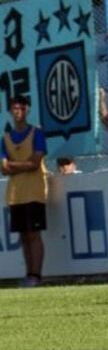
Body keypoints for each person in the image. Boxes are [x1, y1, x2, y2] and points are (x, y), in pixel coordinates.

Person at [1, 95, 47, 288]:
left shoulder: (37, 133)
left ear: (27, 110)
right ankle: (29, 274)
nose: (18, 112)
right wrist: (23, 164)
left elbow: (35, 163)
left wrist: (13, 165)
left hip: (35, 191)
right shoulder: (6, 138)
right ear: (10, 111)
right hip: (15, 194)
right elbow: (3, 168)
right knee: (23, 235)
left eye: (21, 108)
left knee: (33, 234)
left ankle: (36, 274)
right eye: (14, 108)